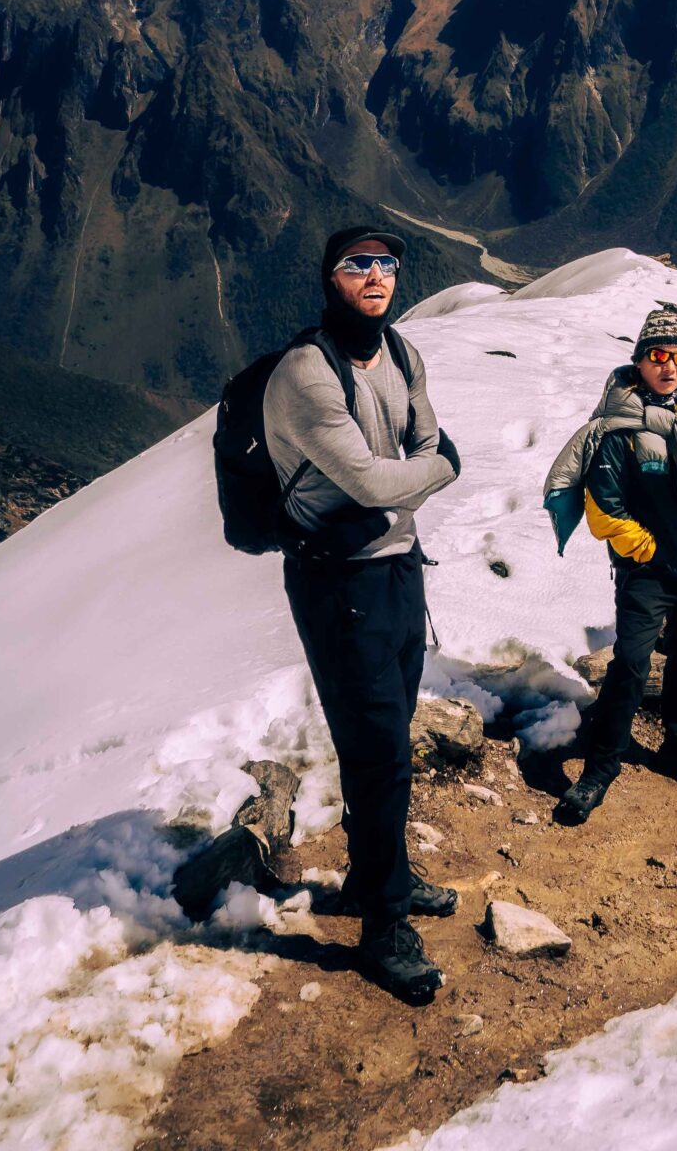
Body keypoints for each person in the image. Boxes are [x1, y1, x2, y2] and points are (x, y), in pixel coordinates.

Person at [263, 227, 461, 1006]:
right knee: (378, 748)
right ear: (329, 278)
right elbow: (389, 478)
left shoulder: (402, 352)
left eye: (386, 264)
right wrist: (441, 467)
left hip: (397, 573)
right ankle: (383, 927)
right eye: (358, 265)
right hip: (339, 584)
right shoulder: (308, 375)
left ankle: (383, 874)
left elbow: (412, 445)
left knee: (386, 735)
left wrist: (415, 466)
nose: (376, 275)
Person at [543, 304, 677, 825]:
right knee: (632, 665)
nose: (670, 367)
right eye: (659, 356)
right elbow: (603, 505)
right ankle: (601, 767)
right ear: (639, 361)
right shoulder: (616, 430)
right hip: (646, 574)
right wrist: (649, 551)